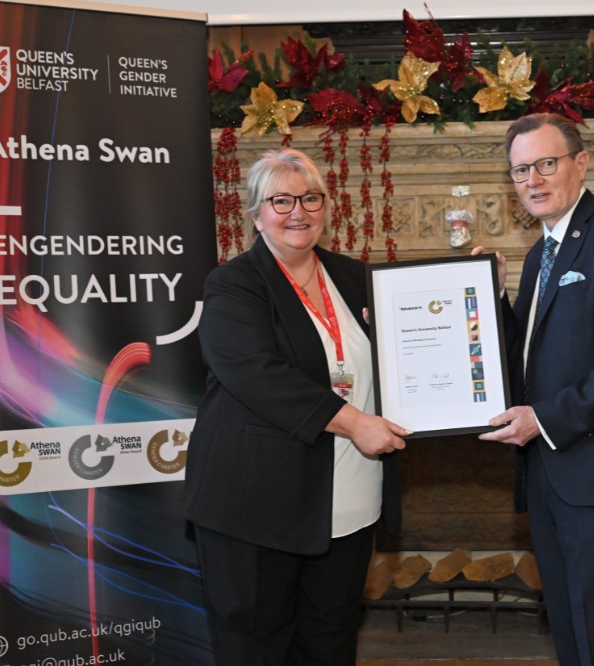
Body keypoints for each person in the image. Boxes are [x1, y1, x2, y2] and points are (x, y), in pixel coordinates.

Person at [183, 148, 409, 665]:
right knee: (256, 649)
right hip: (257, 506)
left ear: (327, 207)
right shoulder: (234, 283)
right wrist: (355, 423)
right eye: (280, 201)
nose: (298, 212)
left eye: (310, 198)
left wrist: (481, 290)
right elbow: (257, 375)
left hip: (349, 503)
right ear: (256, 213)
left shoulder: (355, 278)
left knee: (331, 645)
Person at [477, 113, 594, 666]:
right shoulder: (541, 253)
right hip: (549, 477)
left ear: (581, 164)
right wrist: (490, 296)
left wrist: (543, 419)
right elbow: (527, 357)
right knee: (570, 632)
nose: (532, 180)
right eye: (520, 170)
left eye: (545, 164)